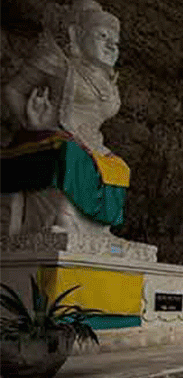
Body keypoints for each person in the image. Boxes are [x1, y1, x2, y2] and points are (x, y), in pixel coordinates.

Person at [2, 0, 128, 235]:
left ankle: (100, 227)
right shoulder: (57, 63)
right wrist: (31, 122)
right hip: (52, 134)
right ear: (76, 34)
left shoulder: (108, 81)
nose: (111, 45)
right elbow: (12, 89)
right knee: (71, 154)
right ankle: (65, 216)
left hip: (93, 143)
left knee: (119, 167)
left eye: (116, 42)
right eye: (102, 36)